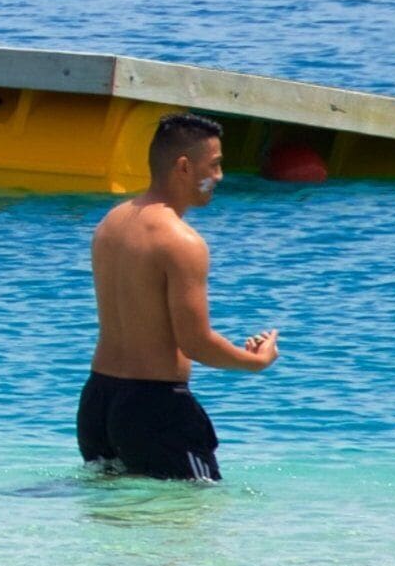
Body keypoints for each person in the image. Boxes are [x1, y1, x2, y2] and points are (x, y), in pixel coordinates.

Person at [80, 112, 278, 481]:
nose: (219, 177)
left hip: (98, 402)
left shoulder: (112, 223)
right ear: (184, 166)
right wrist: (256, 361)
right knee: (193, 519)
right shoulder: (181, 241)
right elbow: (196, 344)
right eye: (215, 165)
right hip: (155, 407)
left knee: (115, 525)